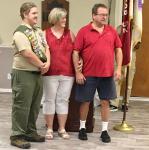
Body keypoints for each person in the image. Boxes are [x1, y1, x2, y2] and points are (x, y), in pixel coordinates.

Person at [73, 3, 123, 143]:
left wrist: (118, 68)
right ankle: (82, 128)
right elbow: (76, 52)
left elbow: (118, 50)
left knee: (105, 102)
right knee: (85, 102)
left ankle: (104, 131)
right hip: (88, 74)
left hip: (107, 74)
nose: (104, 17)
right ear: (93, 15)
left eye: (106, 15)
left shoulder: (111, 31)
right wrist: (78, 72)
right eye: (102, 15)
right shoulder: (84, 31)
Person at [10, 2, 50, 149]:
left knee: (34, 106)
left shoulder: (38, 31)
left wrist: (47, 63)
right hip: (23, 73)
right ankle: (17, 135)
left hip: (37, 73)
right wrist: (42, 64)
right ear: (25, 14)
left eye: (37, 13)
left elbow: (46, 47)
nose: (37, 16)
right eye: (34, 13)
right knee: (22, 105)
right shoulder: (20, 32)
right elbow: (26, 53)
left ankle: (30, 132)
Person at [42, 8, 82, 140]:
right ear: (55, 19)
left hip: (67, 73)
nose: (65, 20)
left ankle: (62, 128)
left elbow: (77, 52)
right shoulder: (44, 34)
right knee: (49, 100)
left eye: (65, 17)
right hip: (50, 73)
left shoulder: (70, 33)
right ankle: (49, 128)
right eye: (62, 18)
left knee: (63, 100)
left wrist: (80, 61)